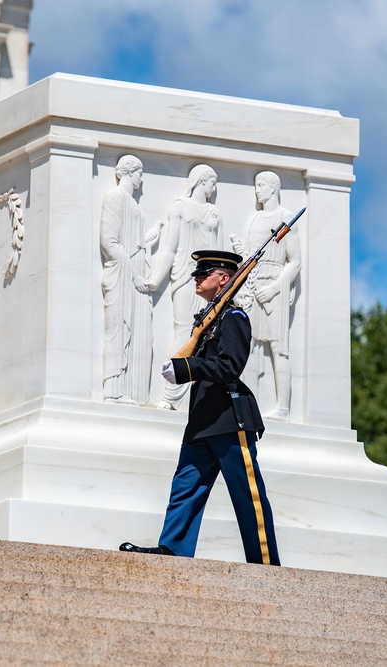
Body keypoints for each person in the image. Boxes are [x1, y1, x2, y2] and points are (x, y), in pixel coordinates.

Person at [120, 250, 280, 566]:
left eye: (203, 273)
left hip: (229, 419)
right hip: (203, 420)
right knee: (186, 485)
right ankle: (174, 548)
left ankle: (264, 562)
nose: (196, 277)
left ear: (224, 278)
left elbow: (229, 366)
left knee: (248, 496)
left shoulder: (234, 318)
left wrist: (187, 368)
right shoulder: (210, 322)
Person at [144, 165, 223, 410]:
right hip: (185, 277)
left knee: (207, 336)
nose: (214, 188)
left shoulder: (214, 213)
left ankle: (197, 397)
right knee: (184, 332)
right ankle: (170, 393)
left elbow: (221, 256)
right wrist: (156, 279)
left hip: (210, 283)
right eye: (212, 182)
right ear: (201, 181)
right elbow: (170, 247)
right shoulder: (180, 207)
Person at [231, 171, 301, 421]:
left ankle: (283, 407)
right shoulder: (254, 219)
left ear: (273, 187)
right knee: (250, 345)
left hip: (274, 289)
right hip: (253, 286)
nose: (257, 190)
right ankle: (250, 405)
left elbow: (295, 262)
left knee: (278, 348)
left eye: (261, 185)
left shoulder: (285, 219)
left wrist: (273, 289)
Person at [100, 154, 153, 405]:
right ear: (129, 172)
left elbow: (135, 242)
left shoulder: (133, 203)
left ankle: (130, 391)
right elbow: (109, 243)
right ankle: (113, 389)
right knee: (118, 331)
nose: (142, 179)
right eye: (139, 173)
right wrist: (134, 275)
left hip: (134, 274)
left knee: (134, 335)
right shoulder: (115, 197)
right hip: (121, 275)